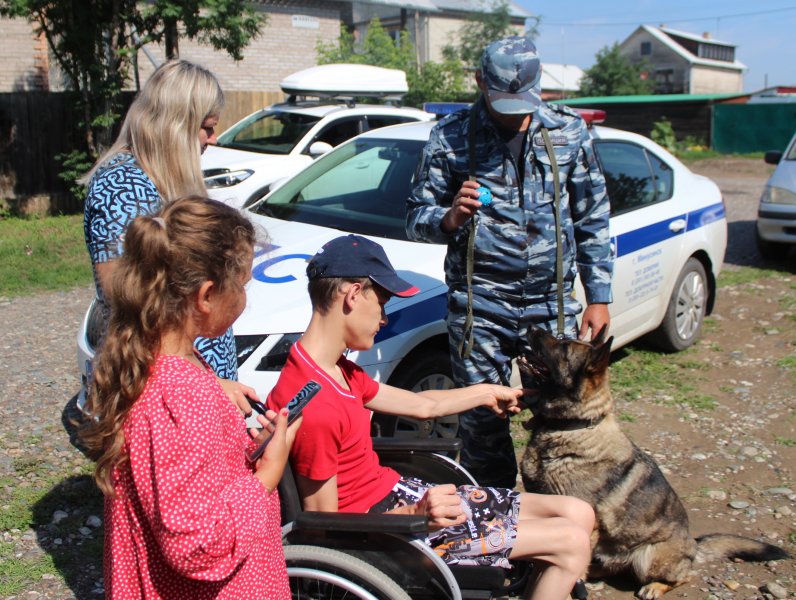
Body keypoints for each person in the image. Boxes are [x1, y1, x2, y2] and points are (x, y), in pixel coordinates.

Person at [267, 234, 594, 600]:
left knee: (577, 511)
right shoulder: (316, 405)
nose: (384, 318)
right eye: (382, 303)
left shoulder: (334, 370)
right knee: (571, 542)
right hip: (395, 533)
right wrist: (416, 513)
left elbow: (424, 406)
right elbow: (323, 527)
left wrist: (487, 392)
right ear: (353, 295)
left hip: (402, 499)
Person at [406, 36, 613, 488]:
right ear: (480, 81)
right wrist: (448, 217)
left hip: (552, 304)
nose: (517, 111)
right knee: (482, 427)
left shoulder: (569, 131)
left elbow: (592, 216)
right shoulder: (451, 136)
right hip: (481, 308)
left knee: (567, 419)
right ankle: (496, 533)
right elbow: (414, 218)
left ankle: (560, 523)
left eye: (527, 99)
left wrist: (598, 296)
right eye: (505, 99)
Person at [80, 197, 298, 599]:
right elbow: (198, 547)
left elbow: (185, 475)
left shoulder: (155, 361)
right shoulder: (182, 394)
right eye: (243, 286)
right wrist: (269, 471)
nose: (245, 300)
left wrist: (246, 448)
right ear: (206, 295)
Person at [82, 59, 240, 384]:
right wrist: (207, 383)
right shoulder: (121, 187)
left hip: (195, 384)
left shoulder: (161, 178)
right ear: (175, 124)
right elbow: (132, 304)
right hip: (169, 387)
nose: (212, 138)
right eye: (206, 127)